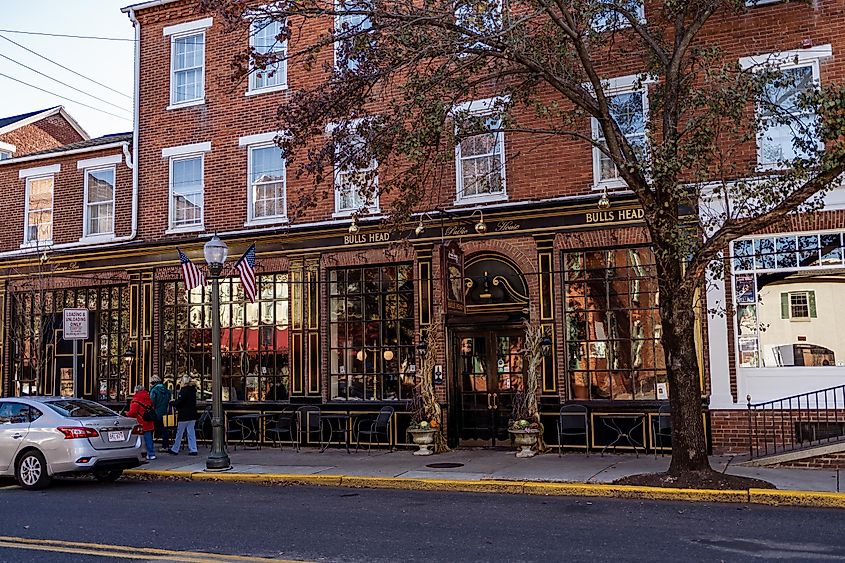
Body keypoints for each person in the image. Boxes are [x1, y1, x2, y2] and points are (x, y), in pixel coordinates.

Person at [169, 375, 198, 456]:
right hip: (192, 414)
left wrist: (172, 403)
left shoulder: (184, 390)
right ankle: (193, 449)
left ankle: (175, 449)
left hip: (184, 415)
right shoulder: (193, 390)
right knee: (191, 432)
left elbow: (180, 402)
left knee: (179, 433)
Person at [126, 384, 156, 461]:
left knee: (139, 439)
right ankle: (151, 453)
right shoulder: (148, 398)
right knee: (149, 438)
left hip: (140, 422)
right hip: (149, 421)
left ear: (136, 391)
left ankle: (143, 453)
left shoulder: (136, 400)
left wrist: (127, 414)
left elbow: (133, 412)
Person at [149, 375, 172, 452]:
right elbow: (169, 398)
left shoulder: (154, 390)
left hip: (156, 412)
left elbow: (152, 402)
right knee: (164, 429)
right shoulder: (165, 389)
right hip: (164, 411)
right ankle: (165, 445)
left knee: (151, 429)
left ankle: (150, 446)